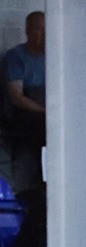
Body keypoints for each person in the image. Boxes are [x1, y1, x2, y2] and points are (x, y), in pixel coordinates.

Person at [3, 10, 46, 147]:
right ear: (28, 31)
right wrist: (45, 111)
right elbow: (17, 98)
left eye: (46, 29)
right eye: (39, 29)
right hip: (28, 115)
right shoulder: (16, 56)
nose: (44, 34)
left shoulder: (56, 55)